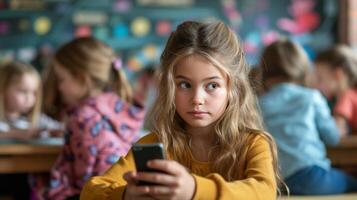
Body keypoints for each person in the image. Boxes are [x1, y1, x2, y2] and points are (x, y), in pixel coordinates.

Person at [81, 20, 281, 200]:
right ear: (169, 87)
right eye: (184, 85)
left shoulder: (253, 144)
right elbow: (92, 191)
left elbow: (264, 192)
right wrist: (126, 195)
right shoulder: (158, 144)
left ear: (233, 89)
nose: (197, 99)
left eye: (212, 86)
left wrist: (194, 189)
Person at [41, 37, 146, 200]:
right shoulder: (119, 107)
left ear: (82, 78)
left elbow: (83, 179)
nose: (59, 87)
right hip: (124, 191)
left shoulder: (82, 117)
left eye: (62, 79)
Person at [259, 39, 357, 195]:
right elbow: (332, 137)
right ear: (302, 67)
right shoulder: (312, 97)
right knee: (350, 180)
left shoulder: (257, 104)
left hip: (277, 182)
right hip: (312, 177)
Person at [0, 61, 63, 200]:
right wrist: (17, 134)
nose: (30, 98)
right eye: (23, 91)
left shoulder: (35, 119)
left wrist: (56, 132)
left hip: (27, 177)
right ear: (2, 89)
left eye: (34, 93)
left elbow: (60, 128)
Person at [314, 45, 357, 135]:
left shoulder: (346, 97)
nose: (316, 85)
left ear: (338, 74)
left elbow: (337, 131)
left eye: (320, 78)